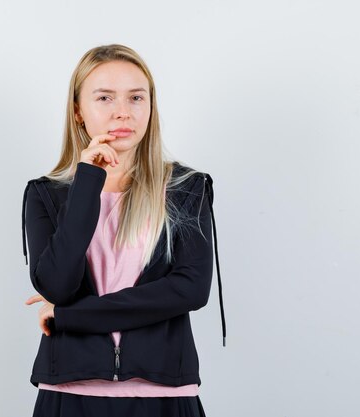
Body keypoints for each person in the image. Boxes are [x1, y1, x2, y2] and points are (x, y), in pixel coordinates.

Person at [21, 44, 226, 417]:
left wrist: (70, 317)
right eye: (105, 98)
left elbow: (189, 289)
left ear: (151, 106)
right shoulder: (46, 193)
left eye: (136, 97)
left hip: (165, 396)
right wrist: (87, 182)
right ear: (78, 111)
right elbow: (56, 284)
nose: (123, 112)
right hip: (68, 393)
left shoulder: (185, 187)